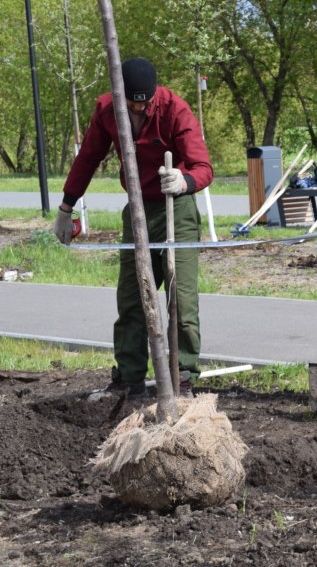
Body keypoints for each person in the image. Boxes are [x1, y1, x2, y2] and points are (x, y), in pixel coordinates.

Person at [54, 57, 213, 398]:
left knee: (180, 298)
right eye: (132, 101)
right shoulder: (108, 109)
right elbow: (88, 158)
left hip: (177, 209)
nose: (139, 106)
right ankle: (129, 377)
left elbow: (203, 166)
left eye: (145, 100)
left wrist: (184, 181)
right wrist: (66, 207)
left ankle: (183, 374)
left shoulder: (175, 110)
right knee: (132, 298)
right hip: (137, 210)